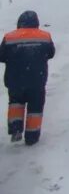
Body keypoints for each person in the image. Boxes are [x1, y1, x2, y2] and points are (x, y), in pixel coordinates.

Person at [0, 11, 55, 145]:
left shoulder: (9, 37)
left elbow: (1, 56)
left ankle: (16, 129)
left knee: (16, 104)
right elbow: (51, 53)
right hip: (37, 81)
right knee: (35, 108)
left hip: (15, 81)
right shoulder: (45, 36)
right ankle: (32, 137)